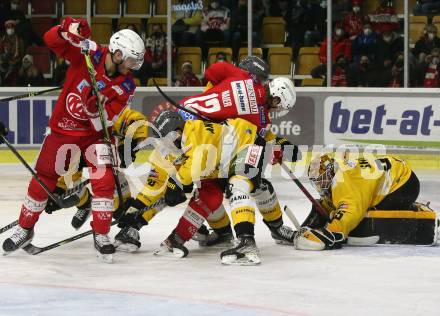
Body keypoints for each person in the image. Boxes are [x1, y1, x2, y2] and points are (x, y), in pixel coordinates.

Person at [1, 17, 145, 263]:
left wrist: (93, 109)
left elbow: (108, 121)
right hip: (62, 130)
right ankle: (25, 229)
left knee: (104, 181)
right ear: (118, 53)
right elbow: (50, 40)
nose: (132, 67)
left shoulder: (127, 85)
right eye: (131, 61)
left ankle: (101, 235)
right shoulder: (90, 53)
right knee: (43, 180)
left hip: (94, 136)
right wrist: (70, 29)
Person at [294, 154, 420, 251]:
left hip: (404, 184)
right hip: (399, 173)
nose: (319, 186)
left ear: (331, 172)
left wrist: (333, 231)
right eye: (315, 182)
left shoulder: (344, 182)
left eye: (321, 180)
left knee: (362, 212)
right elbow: (333, 201)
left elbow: (351, 210)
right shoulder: (341, 173)